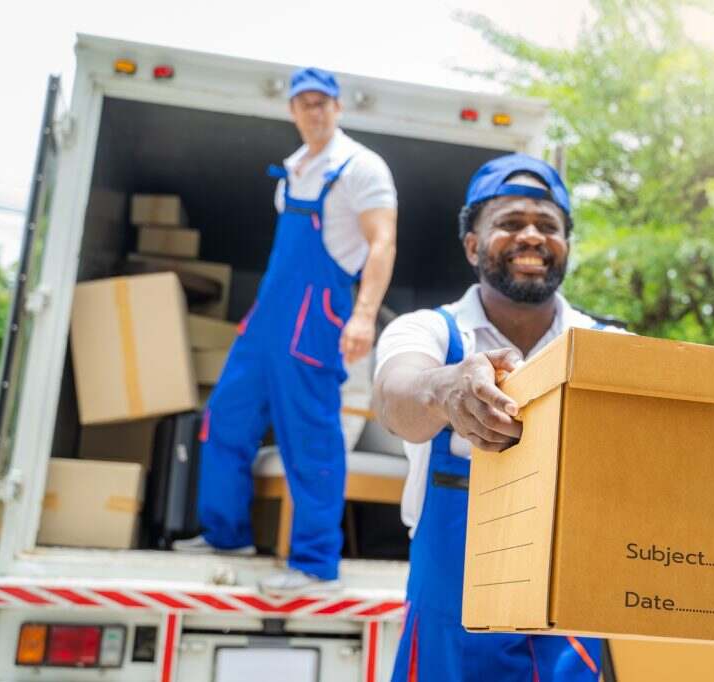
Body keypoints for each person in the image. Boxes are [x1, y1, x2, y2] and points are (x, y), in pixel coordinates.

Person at [373, 153, 619, 680]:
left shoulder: (609, 349)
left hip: (566, 641)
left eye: (547, 226)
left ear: (566, 247)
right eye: (509, 223)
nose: (531, 236)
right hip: (447, 638)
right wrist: (446, 390)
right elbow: (395, 397)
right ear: (472, 244)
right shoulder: (428, 334)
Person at [174, 67, 398, 595]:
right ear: (292, 110)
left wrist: (365, 315)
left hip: (314, 320)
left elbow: (382, 242)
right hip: (268, 321)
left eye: (322, 102)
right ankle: (226, 534)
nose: (313, 111)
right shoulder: (295, 170)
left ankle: (317, 565)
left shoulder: (361, 167)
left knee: (310, 435)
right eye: (304, 103)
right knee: (223, 419)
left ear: (338, 108)